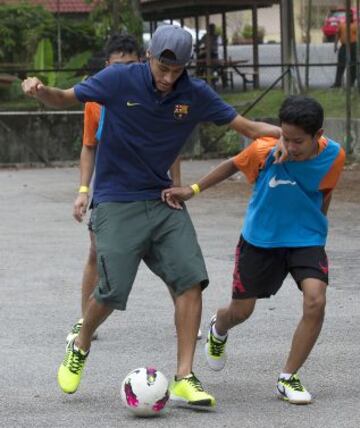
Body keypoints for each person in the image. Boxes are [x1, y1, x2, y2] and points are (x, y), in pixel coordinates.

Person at [22, 24, 282, 409]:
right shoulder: (118, 79)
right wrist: (42, 91)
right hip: (115, 199)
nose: (169, 77)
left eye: (177, 71)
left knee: (190, 280)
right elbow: (64, 97)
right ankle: (81, 344)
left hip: (161, 198)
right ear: (149, 57)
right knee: (111, 290)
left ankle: (183, 377)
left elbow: (246, 127)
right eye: (163, 67)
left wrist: (294, 136)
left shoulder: (193, 94)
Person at [162, 96, 345, 405]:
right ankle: (218, 328)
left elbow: (324, 191)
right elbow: (231, 165)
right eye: (284, 136)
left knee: (316, 300)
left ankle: (288, 376)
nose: (289, 144)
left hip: (306, 240)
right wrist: (192, 191)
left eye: (297, 141)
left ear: (318, 135)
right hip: (261, 240)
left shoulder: (335, 155)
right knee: (241, 311)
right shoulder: (264, 151)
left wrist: (316, 230)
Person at [67, 33, 187, 343]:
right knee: (97, 251)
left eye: (132, 65)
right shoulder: (95, 100)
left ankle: (186, 315)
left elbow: (173, 147)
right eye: (118, 65)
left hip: (152, 186)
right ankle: (86, 322)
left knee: (172, 254)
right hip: (113, 188)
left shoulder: (159, 96)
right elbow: (89, 145)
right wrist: (83, 190)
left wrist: (177, 185)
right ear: (107, 66)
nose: (125, 71)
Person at [332, 11, 358, 88]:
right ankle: (337, 83)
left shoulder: (355, 25)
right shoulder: (342, 25)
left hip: (353, 46)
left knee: (353, 64)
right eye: (348, 16)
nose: (349, 17)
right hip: (344, 45)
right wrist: (335, 45)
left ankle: (351, 82)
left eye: (350, 16)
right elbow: (337, 35)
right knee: (341, 63)